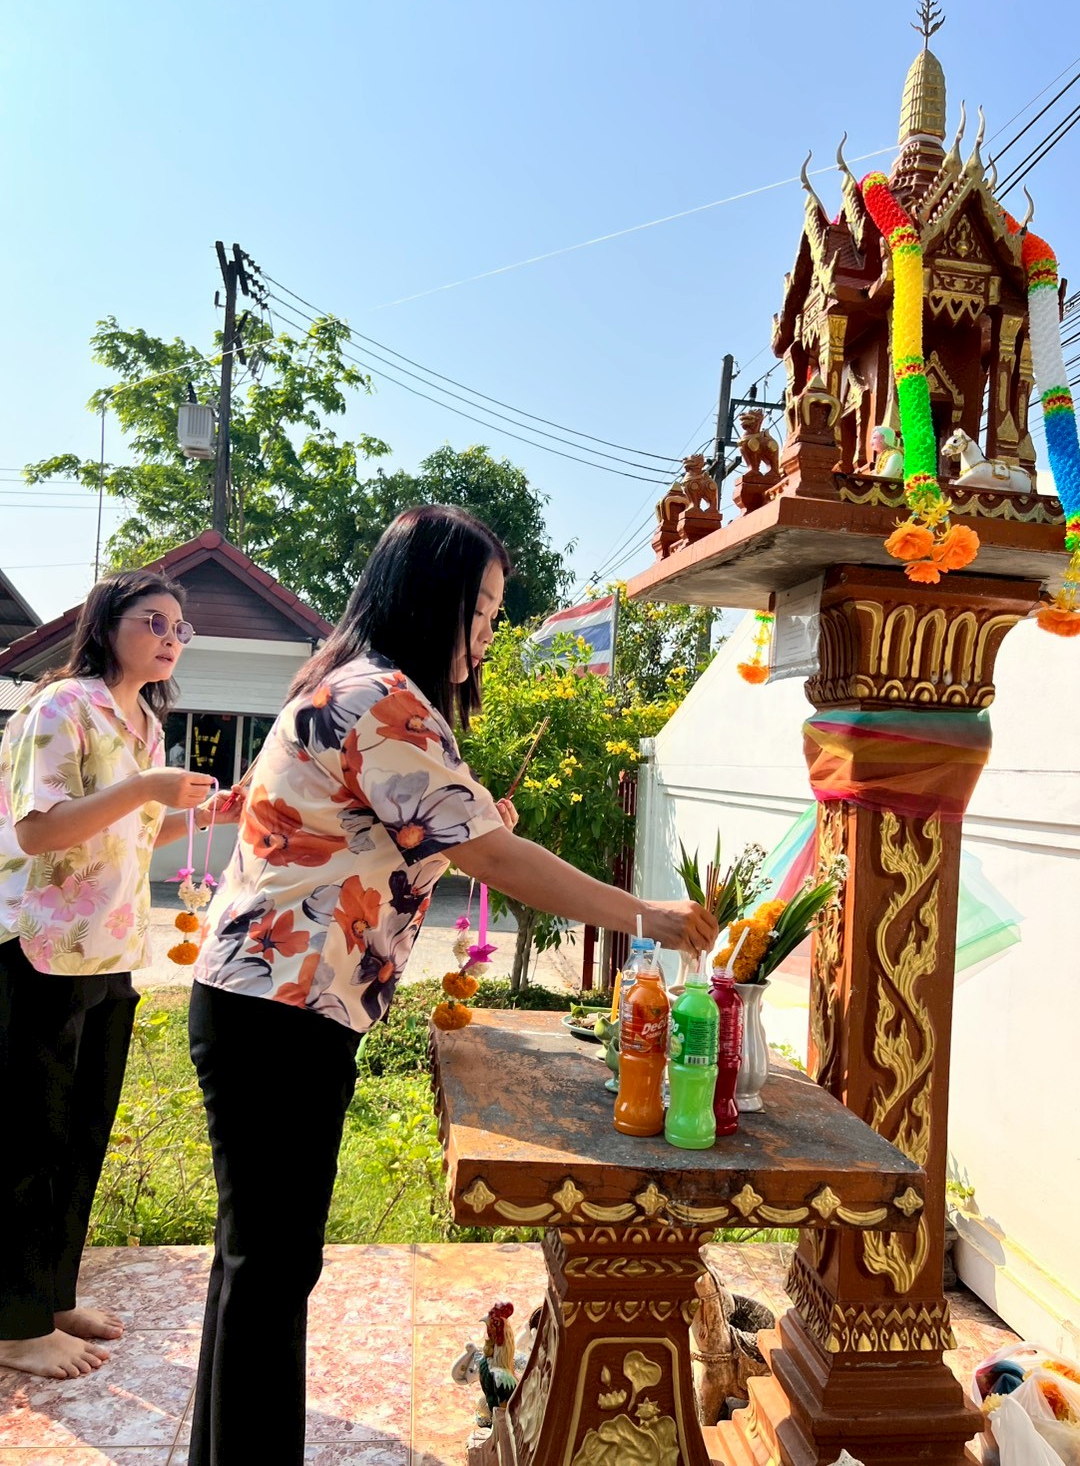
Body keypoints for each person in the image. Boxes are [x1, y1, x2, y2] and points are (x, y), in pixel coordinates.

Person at [187, 505, 717, 1465]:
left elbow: (408, 841)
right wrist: (649, 914)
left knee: (255, 1266)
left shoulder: (357, 685)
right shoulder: (382, 697)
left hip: (271, 1005)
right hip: (278, 1012)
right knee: (268, 1269)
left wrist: (474, 829)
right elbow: (495, 857)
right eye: (479, 610)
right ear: (428, 598)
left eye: (494, 614)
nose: (486, 634)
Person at [0, 570, 240, 1381]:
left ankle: (53, 1296)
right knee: (30, 1136)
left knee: (81, 1133)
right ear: (107, 624)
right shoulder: (62, 705)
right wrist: (145, 787)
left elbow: (133, 829)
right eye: (154, 621)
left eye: (180, 627)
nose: (171, 637)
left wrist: (200, 812)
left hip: (109, 948)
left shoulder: (143, 723)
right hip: (39, 945)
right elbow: (39, 831)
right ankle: (14, 1324)